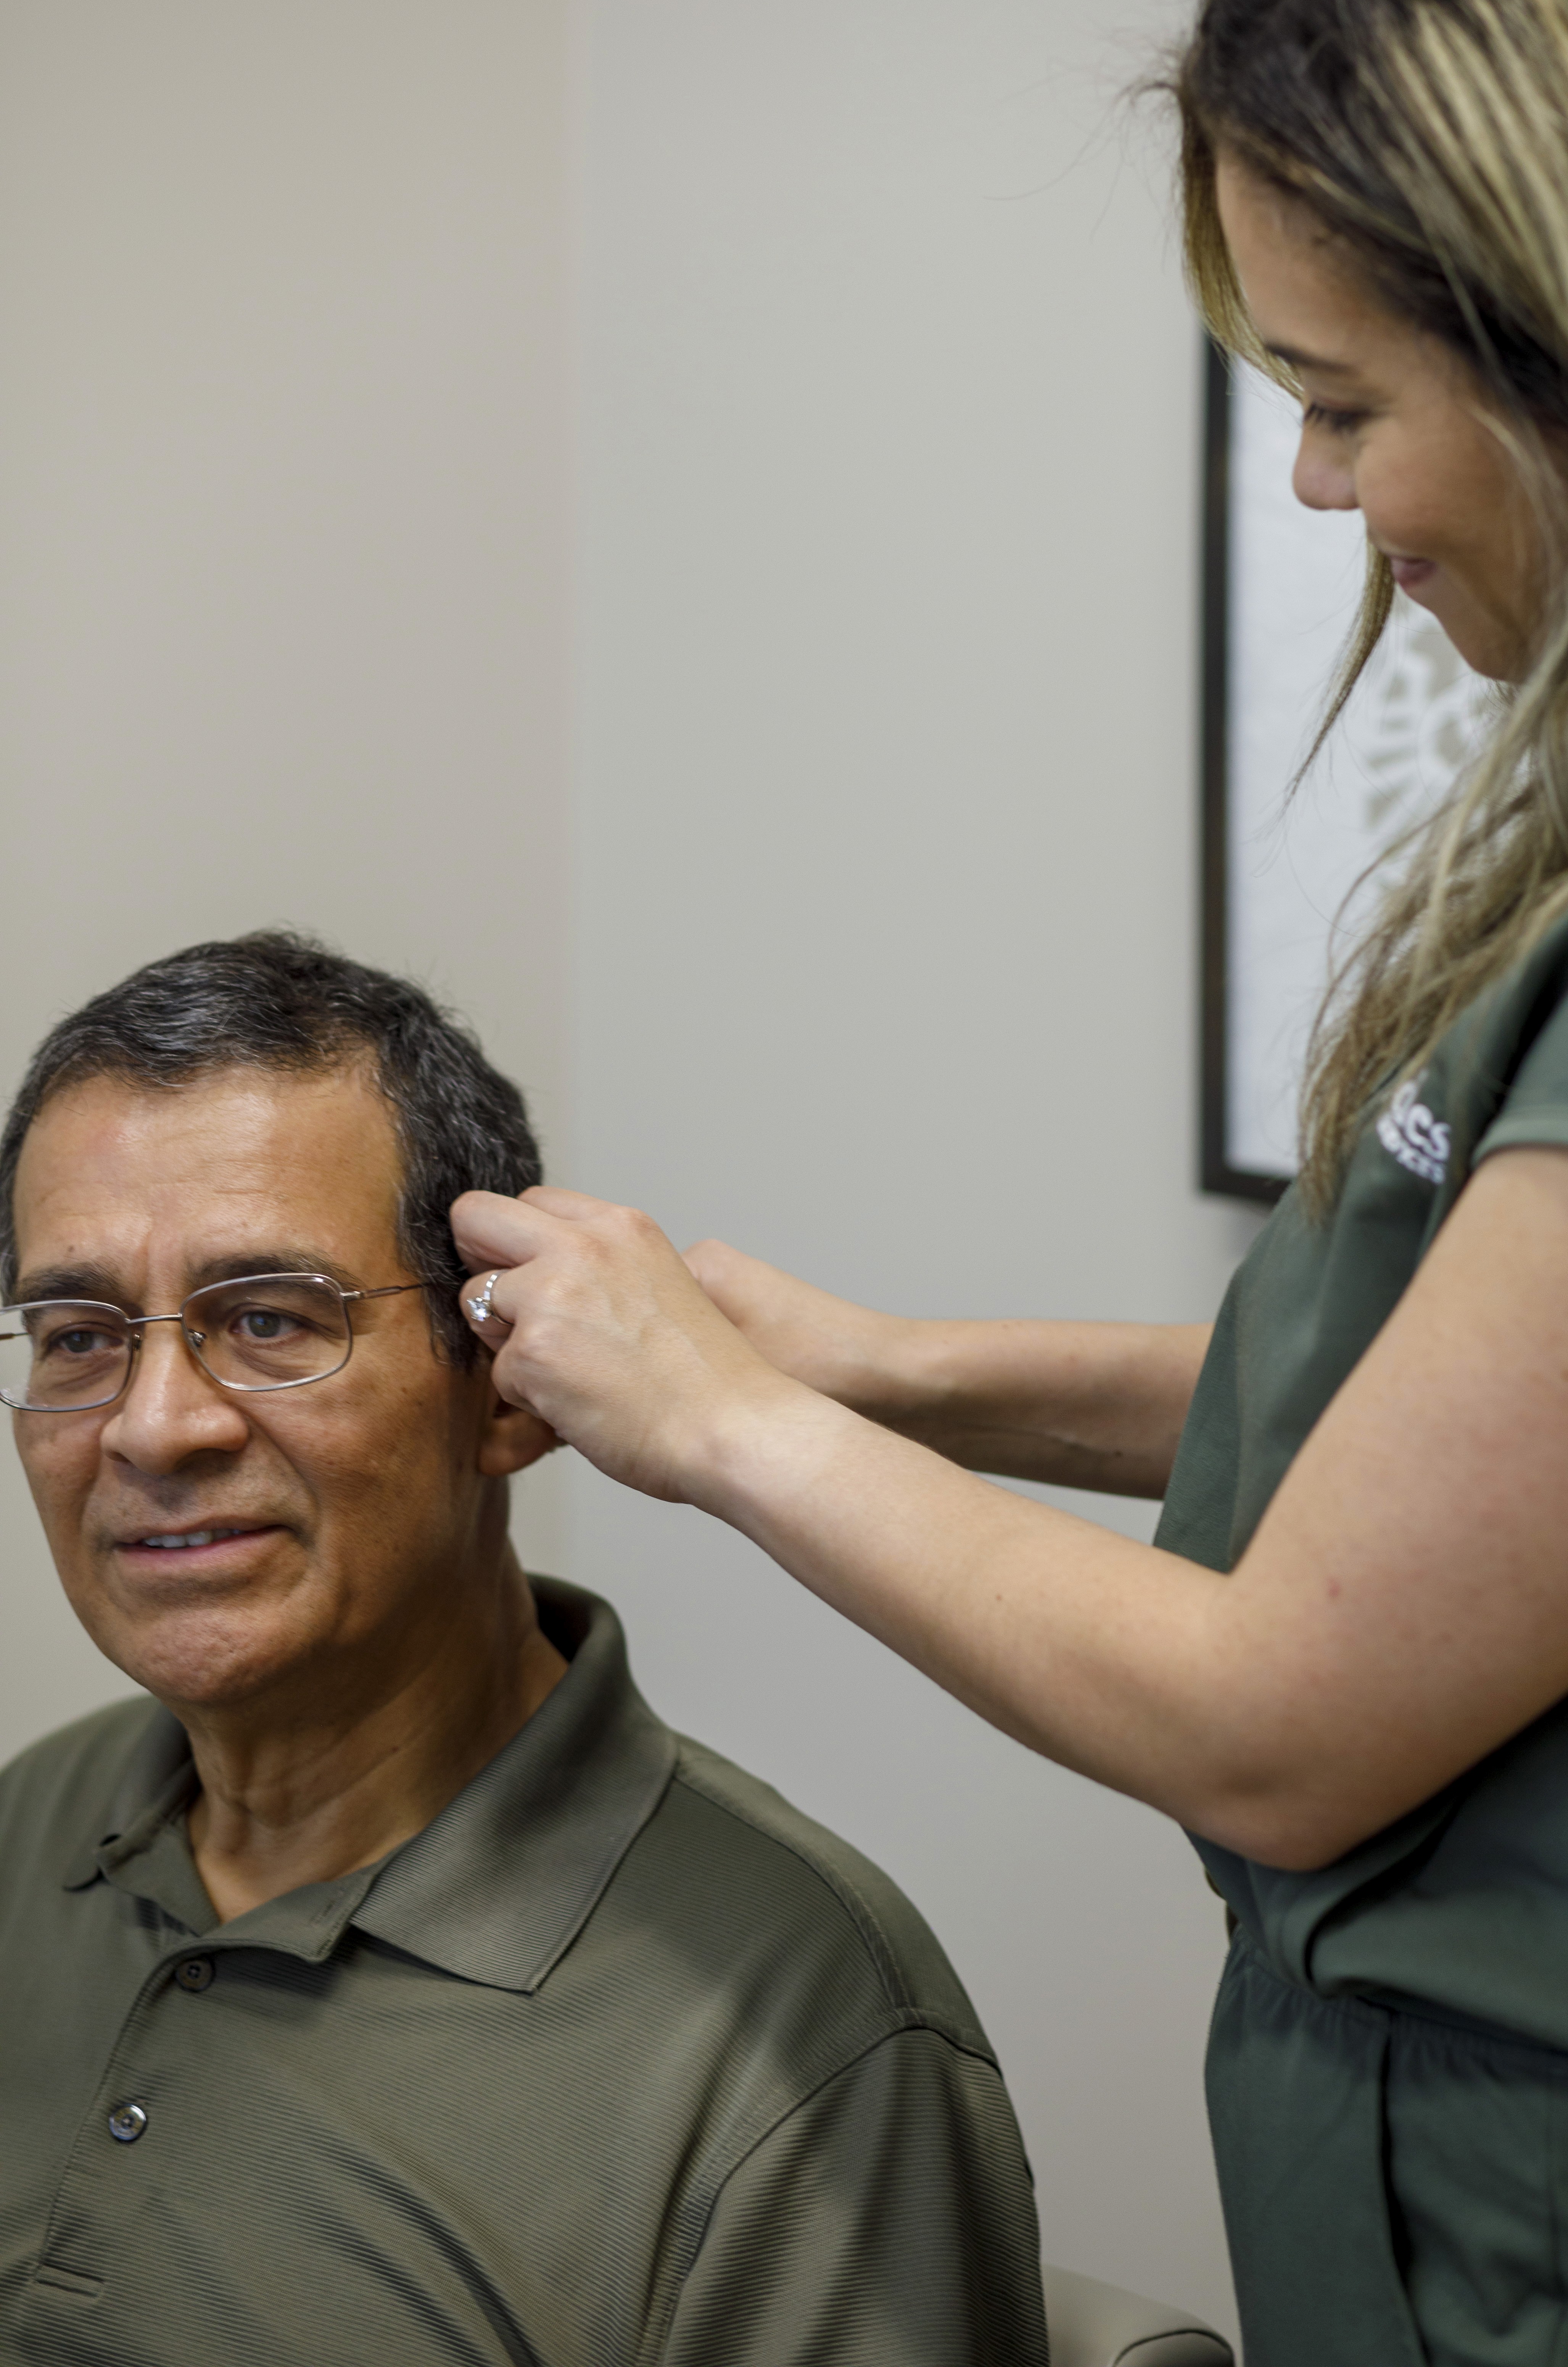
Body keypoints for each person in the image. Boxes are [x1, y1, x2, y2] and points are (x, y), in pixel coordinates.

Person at [445, 0, 1568, 2362]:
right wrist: (876, 1365)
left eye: (1347, 401)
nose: (1319, 489)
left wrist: (724, 1432)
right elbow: (1457, 1435)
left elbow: (1281, 1714)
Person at [0, 932, 1046, 2367]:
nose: (151, 1424)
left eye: (268, 1321)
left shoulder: (801, 2031)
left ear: (507, 1391)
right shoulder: (27, 1825)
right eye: (77, 1335)